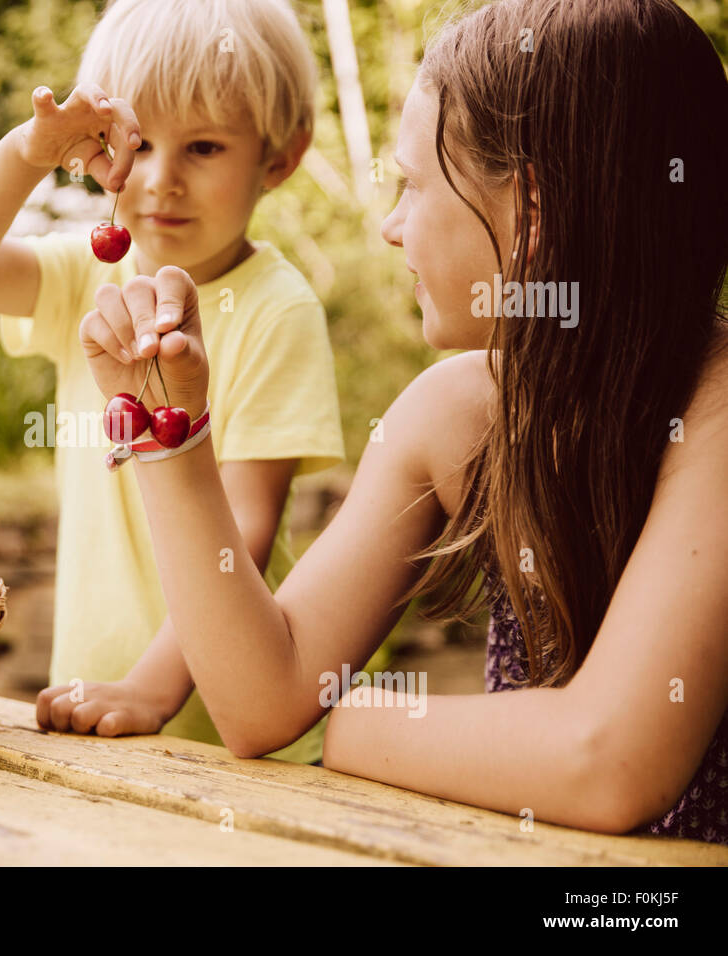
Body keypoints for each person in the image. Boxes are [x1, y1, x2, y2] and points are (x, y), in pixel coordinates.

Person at [54, 0, 728, 843]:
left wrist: (352, 719)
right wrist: (167, 430)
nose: (391, 226)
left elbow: (604, 762)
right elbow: (262, 701)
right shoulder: (460, 411)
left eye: (412, 186)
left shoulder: (718, 418)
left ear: (531, 214)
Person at [0, 0, 352, 763]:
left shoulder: (276, 309)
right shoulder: (90, 272)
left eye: (206, 147)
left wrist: (152, 690)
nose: (161, 181)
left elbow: (244, 532)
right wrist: (30, 149)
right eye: (140, 143)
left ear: (280, 159)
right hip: (94, 716)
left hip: (228, 743)